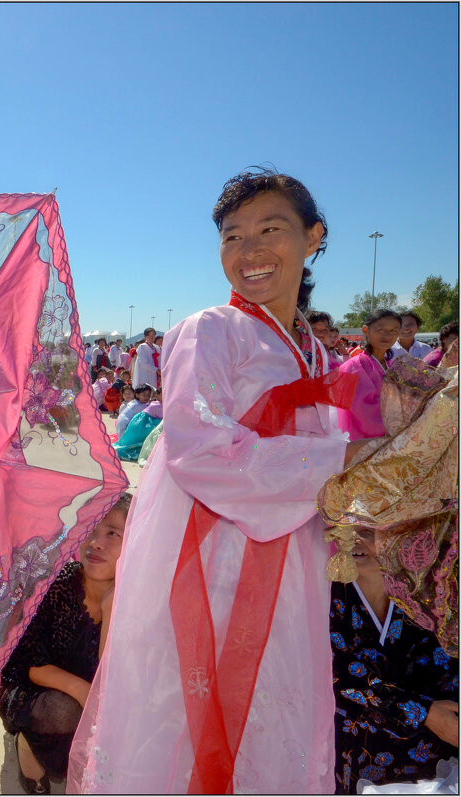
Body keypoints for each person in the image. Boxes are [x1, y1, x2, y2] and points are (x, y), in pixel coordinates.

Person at [70, 169, 376, 793]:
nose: (250, 251)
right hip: (208, 559)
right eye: (232, 236)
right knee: (186, 717)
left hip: (290, 562)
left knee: (276, 704)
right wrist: (344, 462)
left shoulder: (315, 355)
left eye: (272, 229)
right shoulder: (210, 331)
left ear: (314, 237)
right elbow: (201, 448)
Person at [0, 494, 130, 793]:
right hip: (35, 689)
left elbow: (110, 677)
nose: (96, 542)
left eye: (113, 534)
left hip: (88, 696)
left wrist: (109, 609)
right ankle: (29, 757)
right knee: (63, 712)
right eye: (92, 529)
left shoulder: (132, 600)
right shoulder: (58, 585)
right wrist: (85, 694)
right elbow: (31, 665)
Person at [329, 527, 458, 793]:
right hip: (355, 761)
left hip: (432, 764)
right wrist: (422, 712)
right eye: (346, 529)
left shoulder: (433, 590)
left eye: (367, 530)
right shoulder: (324, 595)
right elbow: (340, 675)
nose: (354, 538)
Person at [336, 308, 401, 440]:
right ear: (366, 330)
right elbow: (364, 414)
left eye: (393, 331)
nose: (388, 336)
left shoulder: (389, 364)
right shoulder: (354, 367)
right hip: (362, 441)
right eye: (381, 330)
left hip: (386, 437)